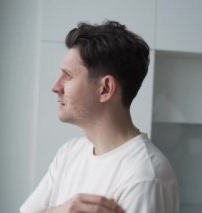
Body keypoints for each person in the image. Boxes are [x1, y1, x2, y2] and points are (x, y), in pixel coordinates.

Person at [20, 20, 179, 213]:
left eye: (68, 75)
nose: (55, 87)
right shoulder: (69, 153)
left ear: (105, 89)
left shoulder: (144, 177)